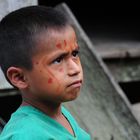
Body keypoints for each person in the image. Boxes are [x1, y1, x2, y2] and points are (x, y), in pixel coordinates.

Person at [0, 6, 91, 140]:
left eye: (75, 54)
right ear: (20, 77)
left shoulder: (59, 113)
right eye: (58, 60)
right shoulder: (26, 135)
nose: (75, 69)